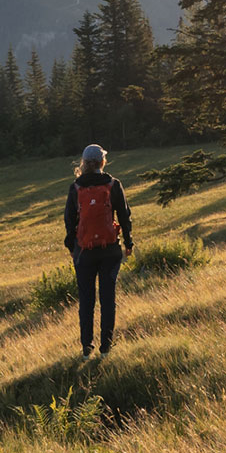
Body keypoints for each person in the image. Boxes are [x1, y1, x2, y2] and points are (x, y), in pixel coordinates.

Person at [64, 143, 134, 355]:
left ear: (84, 163)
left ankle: (86, 347)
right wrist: (128, 242)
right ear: (103, 162)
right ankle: (106, 346)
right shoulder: (113, 184)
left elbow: (69, 220)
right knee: (107, 299)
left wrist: (72, 246)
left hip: (84, 252)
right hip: (110, 250)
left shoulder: (76, 187)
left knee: (86, 301)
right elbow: (124, 215)